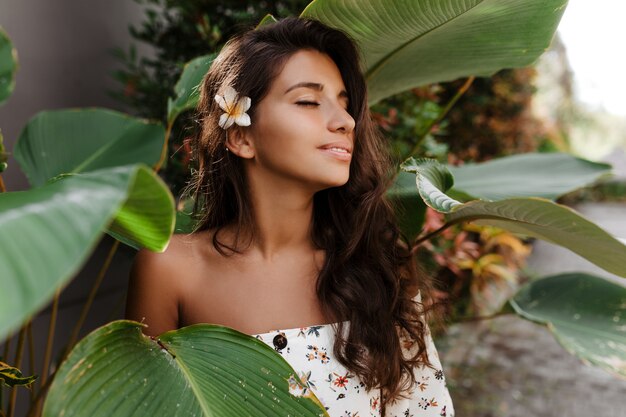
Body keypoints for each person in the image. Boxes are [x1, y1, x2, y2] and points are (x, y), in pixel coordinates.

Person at [125, 16, 454, 417]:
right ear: (241, 136)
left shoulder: (380, 263)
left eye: (345, 104)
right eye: (308, 101)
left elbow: (425, 408)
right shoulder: (170, 271)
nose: (346, 121)